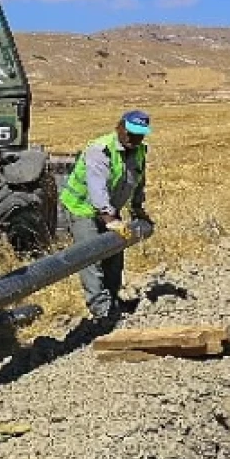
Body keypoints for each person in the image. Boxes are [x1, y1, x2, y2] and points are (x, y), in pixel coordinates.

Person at [59, 110, 153, 321]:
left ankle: (112, 300)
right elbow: (97, 187)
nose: (133, 138)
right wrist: (109, 219)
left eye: (139, 134)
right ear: (119, 127)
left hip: (110, 208)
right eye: (130, 133)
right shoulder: (100, 150)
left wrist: (137, 208)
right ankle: (101, 311)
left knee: (114, 253)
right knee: (90, 257)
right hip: (82, 208)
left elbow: (138, 180)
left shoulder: (139, 151)